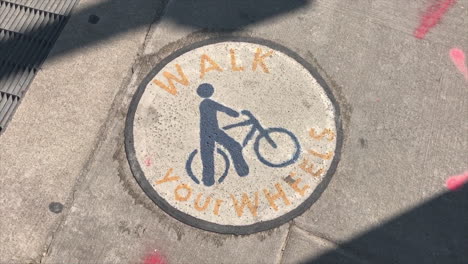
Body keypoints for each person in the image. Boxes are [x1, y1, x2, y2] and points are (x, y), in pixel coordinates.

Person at [197, 83, 249, 186]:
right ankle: (242, 170)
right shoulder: (207, 102)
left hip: (206, 132)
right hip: (212, 131)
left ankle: (208, 180)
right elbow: (223, 108)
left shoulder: (204, 103)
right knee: (234, 146)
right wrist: (235, 113)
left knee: (208, 154)